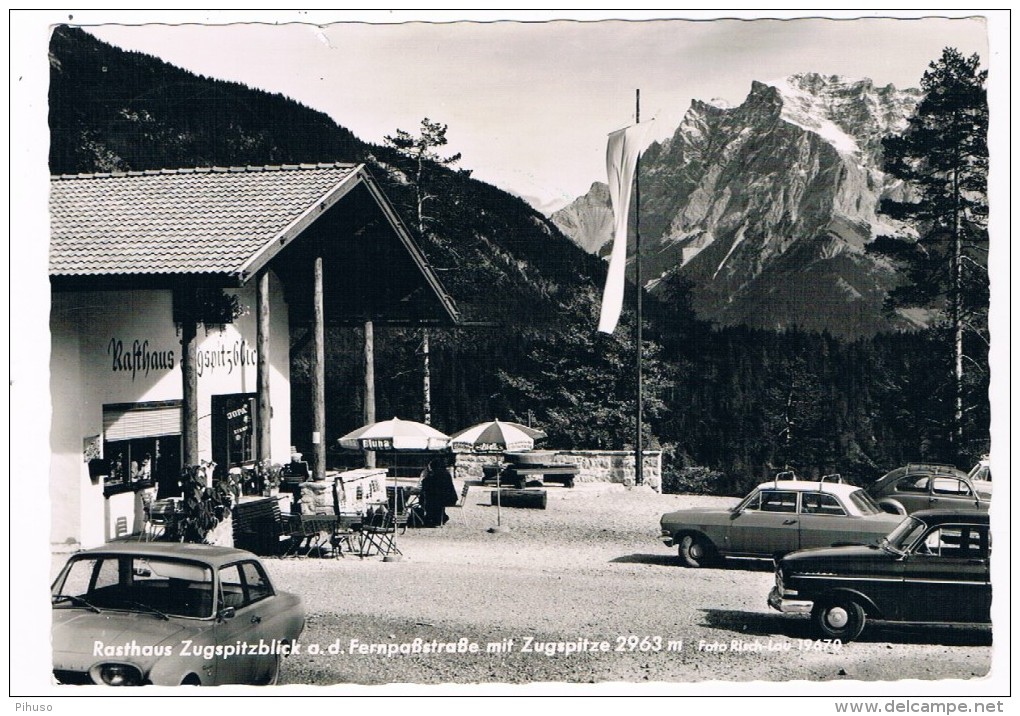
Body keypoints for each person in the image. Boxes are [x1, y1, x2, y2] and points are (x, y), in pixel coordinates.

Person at [418, 458, 459, 527]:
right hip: (449, 497)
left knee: (429, 500)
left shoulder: (438, 474)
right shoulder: (445, 473)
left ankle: (435, 518)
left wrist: (426, 475)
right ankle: (439, 517)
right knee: (431, 498)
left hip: (445, 499)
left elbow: (426, 483)